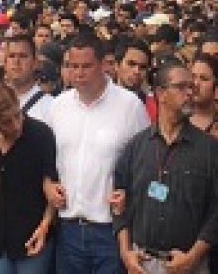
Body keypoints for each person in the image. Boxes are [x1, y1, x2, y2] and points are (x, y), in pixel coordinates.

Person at [47, 35, 150, 274]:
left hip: (110, 232)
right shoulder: (58, 107)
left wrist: (129, 195)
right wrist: (49, 186)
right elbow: (47, 163)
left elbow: (145, 161)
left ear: (104, 64)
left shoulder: (130, 106)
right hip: (68, 228)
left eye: (86, 66)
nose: (79, 73)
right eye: (73, 66)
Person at [113, 60, 218, 274]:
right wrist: (126, 252)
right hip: (142, 262)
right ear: (161, 93)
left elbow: (217, 214)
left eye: (191, 87)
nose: (190, 93)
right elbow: (120, 203)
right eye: (182, 87)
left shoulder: (209, 150)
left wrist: (192, 258)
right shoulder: (137, 146)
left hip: (188, 263)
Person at [0, 81, 57, 274]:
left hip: (32, 236)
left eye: (18, 115)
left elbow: (51, 185)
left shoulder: (40, 134)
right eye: (7, 122)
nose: (16, 125)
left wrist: (45, 226)